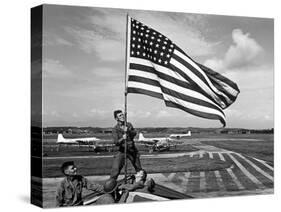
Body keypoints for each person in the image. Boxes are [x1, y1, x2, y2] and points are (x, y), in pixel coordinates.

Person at [110, 110, 142, 180]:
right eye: (120, 115)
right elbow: (116, 142)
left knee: (139, 169)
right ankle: (110, 185)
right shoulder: (115, 129)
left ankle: (141, 183)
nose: (122, 116)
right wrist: (122, 138)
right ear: (116, 118)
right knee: (115, 169)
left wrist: (129, 131)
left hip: (132, 150)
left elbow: (134, 134)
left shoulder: (129, 124)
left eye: (122, 115)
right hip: (122, 150)